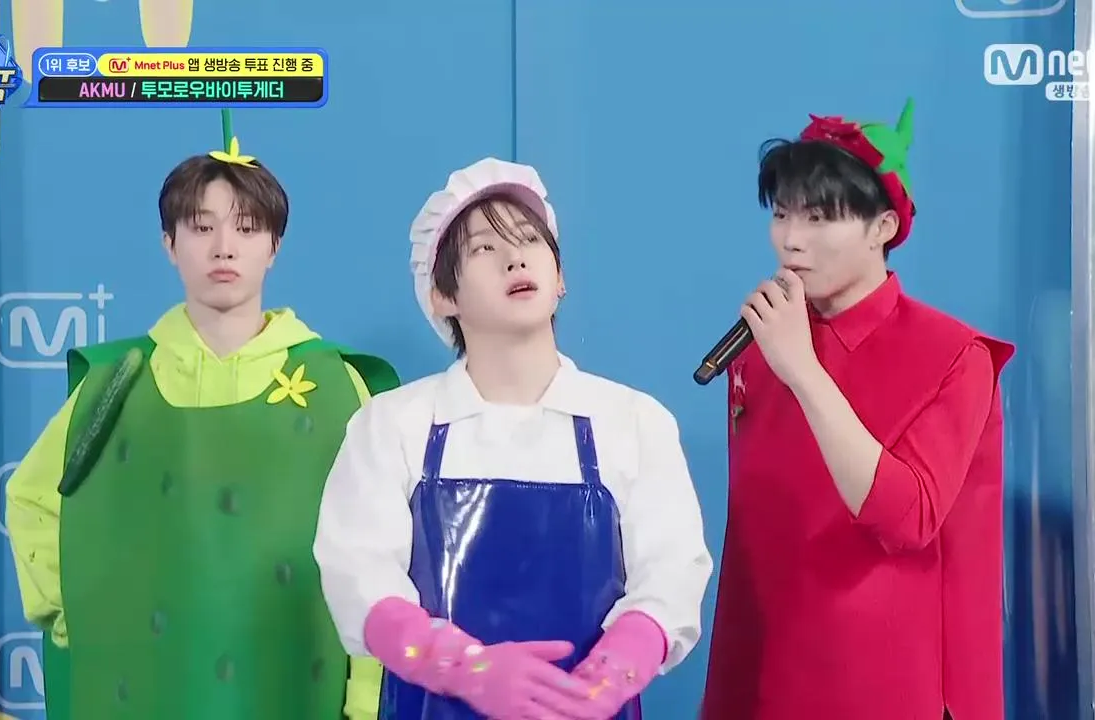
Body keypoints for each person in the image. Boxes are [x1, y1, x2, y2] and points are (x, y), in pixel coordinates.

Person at [4, 111, 399, 720]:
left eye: (246, 227)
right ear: (170, 244)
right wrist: (77, 610)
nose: (223, 247)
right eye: (201, 226)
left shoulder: (337, 386)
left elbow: (383, 543)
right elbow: (35, 499)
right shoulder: (112, 384)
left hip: (296, 676)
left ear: (274, 247)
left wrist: (368, 692)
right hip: (149, 683)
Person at [313, 157, 713, 720]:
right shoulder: (391, 425)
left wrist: (612, 672)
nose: (515, 258)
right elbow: (359, 576)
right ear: (442, 297)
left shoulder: (634, 422)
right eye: (484, 248)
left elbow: (672, 573)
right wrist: (461, 668)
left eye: (529, 240)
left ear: (560, 277)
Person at [699, 99, 1015, 720]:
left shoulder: (955, 356)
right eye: (782, 214)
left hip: (895, 685)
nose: (792, 239)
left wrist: (804, 373)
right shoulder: (762, 348)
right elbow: (755, 540)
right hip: (768, 680)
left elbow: (906, 519)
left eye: (819, 218)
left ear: (883, 228)